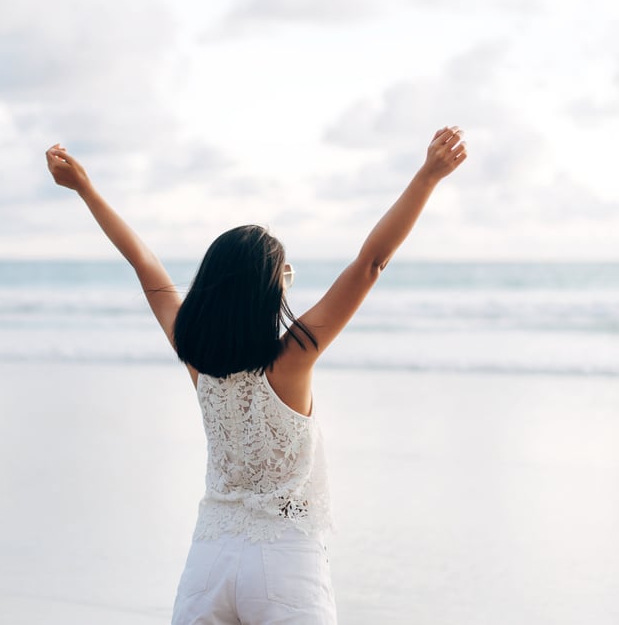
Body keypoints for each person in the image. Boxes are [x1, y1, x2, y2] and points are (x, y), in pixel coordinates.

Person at [45, 126, 468, 624]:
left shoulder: (192, 349)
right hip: (286, 562)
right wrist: (427, 177)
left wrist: (86, 189)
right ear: (270, 292)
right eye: (285, 274)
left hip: (209, 561)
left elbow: (143, 262)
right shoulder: (292, 359)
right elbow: (371, 263)